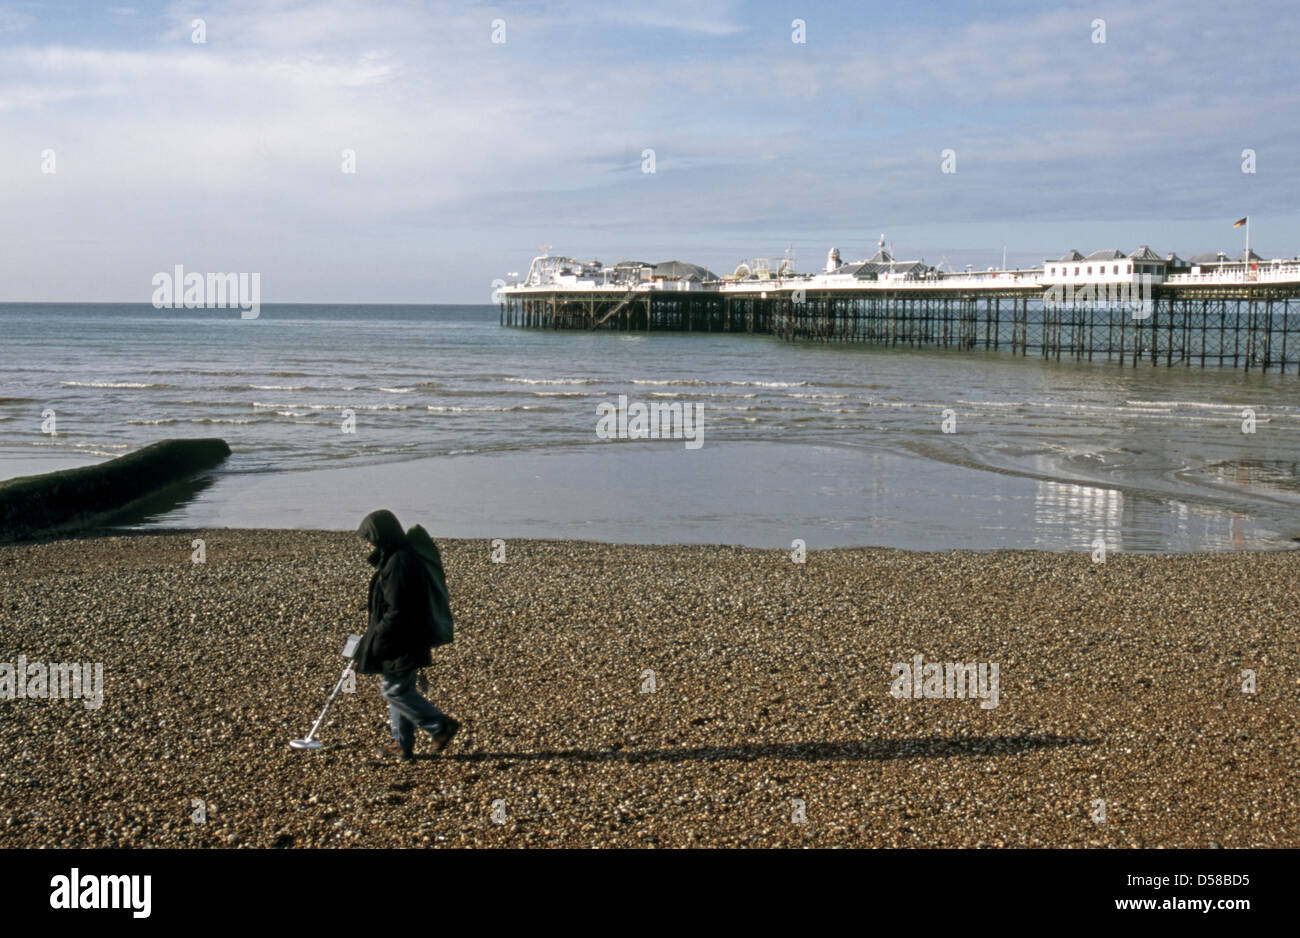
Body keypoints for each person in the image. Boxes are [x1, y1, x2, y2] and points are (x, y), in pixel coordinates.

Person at [354, 509, 459, 761]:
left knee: (394, 690)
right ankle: (402, 744)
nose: (368, 543)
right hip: (406, 637)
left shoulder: (399, 562)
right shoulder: (395, 557)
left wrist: (377, 641)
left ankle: (439, 725)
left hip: (405, 639)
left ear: (381, 536)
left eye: (370, 538)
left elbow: (398, 610)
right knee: (399, 688)